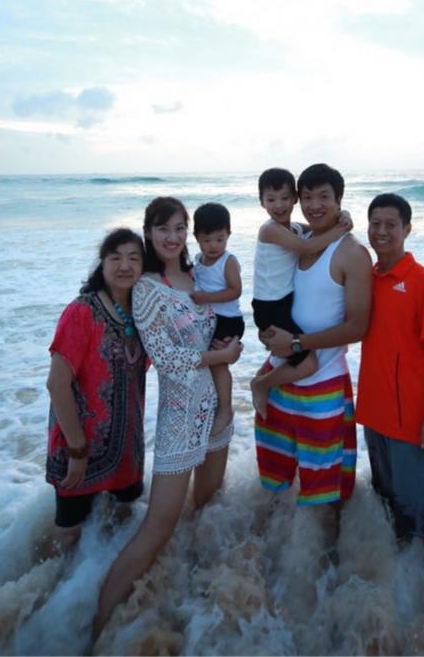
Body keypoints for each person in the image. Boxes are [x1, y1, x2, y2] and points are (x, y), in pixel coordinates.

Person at [93, 197, 242, 639]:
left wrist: (229, 351)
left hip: (216, 410)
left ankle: (188, 598)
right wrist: (220, 356)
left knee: (207, 506)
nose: (172, 237)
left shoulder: (199, 274)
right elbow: (166, 359)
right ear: (149, 233)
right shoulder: (147, 288)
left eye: (179, 228)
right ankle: (96, 627)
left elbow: (226, 318)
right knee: (158, 525)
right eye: (163, 229)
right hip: (179, 418)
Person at [355, 193, 424, 607]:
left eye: (391, 225)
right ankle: (406, 600)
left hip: (412, 425)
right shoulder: (366, 278)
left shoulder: (423, 282)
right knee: (393, 514)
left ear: (407, 229)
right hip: (374, 418)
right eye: (375, 224)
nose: (381, 232)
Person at [255, 163, 372, 507]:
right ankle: (267, 541)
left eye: (324, 197)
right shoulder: (301, 238)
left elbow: (358, 327)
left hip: (322, 386)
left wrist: (296, 343)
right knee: (274, 484)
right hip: (279, 377)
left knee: (325, 490)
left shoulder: (352, 253)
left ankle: (325, 545)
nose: (315, 205)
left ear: (339, 200)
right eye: (308, 197)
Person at [45, 228, 148, 551]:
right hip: (79, 449)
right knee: (70, 534)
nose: (124, 266)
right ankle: (58, 581)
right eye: (115, 258)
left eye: (133, 258)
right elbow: (56, 384)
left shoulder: (142, 313)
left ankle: (105, 578)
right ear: (101, 264)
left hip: (127, 448)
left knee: (121, 523)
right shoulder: (82, 311)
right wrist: (77, 450)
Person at [249, 167, 352, 418]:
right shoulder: (269, 230)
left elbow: (317, 230)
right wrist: (341, 229)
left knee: (290, 355)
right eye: (271, 199)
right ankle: (261, 384)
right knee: (308, 363)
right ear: (261, 202)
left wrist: (342, 215)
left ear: (294, 198)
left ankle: (268, 382)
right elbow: (308, 247)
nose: (279, 205)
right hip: (269, 306)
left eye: (285, 197)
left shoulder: (294, 228)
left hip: (282, 303)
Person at [190, 202, 245, 436]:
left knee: (218, 363)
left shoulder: (228, 261)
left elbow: (236, 290)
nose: (214, 245)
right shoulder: (198, 260)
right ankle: (211, 404)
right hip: (210, 319)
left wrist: (206, 298)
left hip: (228, 320)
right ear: (196, 237)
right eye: (207, 240)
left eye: (220, 239)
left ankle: (225, 409)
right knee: (208, 362)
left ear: (228, 235)